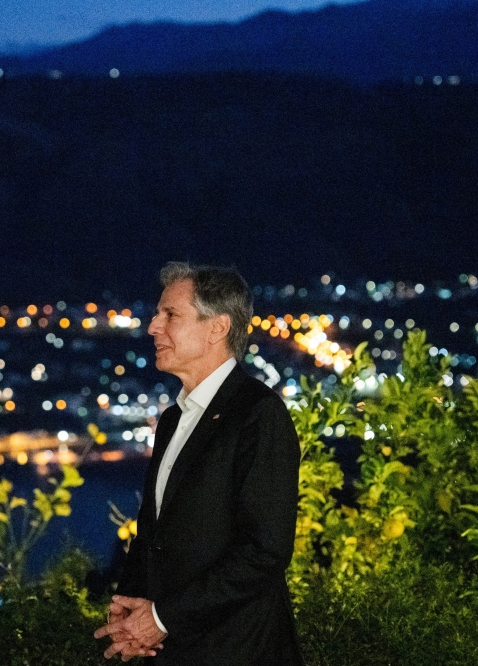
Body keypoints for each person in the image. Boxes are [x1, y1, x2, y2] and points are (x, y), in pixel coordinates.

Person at [95, 262, 303, 665]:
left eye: (170, 315)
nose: (153, 327)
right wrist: (129, 610)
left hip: (238, 651)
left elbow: (265, 550)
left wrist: (161, 618)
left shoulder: (258, 414)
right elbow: (153, 532)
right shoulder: (173, 419)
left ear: (217, 328)